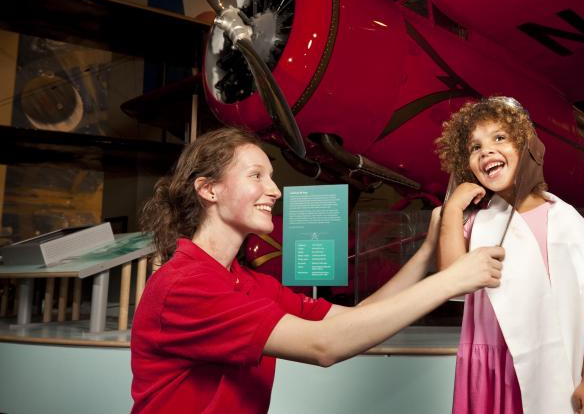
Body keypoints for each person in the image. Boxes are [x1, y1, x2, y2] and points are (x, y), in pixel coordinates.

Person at [130, 127, 505, 413]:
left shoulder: (246, 282)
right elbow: (324, 344)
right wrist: (453, 279)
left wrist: (426, 254)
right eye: (256, 176)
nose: (275, 191)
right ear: (208, 190)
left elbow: (355, 319)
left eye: (270, 176)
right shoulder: (187, 284)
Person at [436, 97, 584, 414]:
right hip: (488, 370)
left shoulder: (563, 219)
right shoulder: (475, 223)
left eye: (499, 138)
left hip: (549, 359)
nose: (486, 150)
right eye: (475, 147)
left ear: (527, 146)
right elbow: (450, 279)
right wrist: (452, 211)